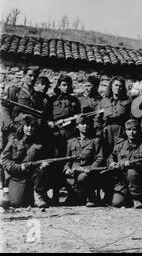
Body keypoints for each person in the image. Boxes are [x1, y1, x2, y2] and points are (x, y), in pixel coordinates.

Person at [43, 74, 81, 204]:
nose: (66, 87)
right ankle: (55, 193)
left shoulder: (74, 101)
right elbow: (46, 117)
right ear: (59, 86)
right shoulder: (52, 100)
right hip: (56, 136)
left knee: (69, 162)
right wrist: (50, 124)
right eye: (63, 85)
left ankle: (72, 193)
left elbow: (78, 118)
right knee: (56, 163)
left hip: (70, 135)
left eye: (68, 85)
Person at [0, 115, 52, 208]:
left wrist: (42, 165)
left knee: (43, 170)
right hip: (16, 176)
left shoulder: (39, 142)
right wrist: (19, 167)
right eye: (27, 125)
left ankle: (38, 196)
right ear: (22, 126)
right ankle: (7, 193)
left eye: (32, 126)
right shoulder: (14, 140)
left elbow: (44, 158)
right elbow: (4, 160)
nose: (30, 128)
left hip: (32, 176)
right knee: (17, 203)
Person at [106, 119, 142, 208]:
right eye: (129, 130)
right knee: (116, 203)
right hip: (122, 180)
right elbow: (111, 156)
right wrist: (112, 163)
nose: (132, 132)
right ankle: (127, 197)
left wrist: (132, 164)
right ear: (126, 131)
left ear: (138, 130)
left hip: (138, 181)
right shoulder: (120, 145)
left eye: (134, 129)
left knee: (131, 172)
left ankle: (137, 198)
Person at [63, 115, 104, 207]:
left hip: (88, 172)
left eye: (87, 124)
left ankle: (90, 197)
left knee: (83, 177)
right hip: (74, 172)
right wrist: (67, 169)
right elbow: (67, 160)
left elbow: (99, 158)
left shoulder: (95, 141)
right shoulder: (71, 142)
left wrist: (90, 168)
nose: (85, 126)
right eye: (82, 124)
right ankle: (77, 196)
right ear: (77, 126)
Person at [97, 77, 131, 157]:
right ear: (111, 86)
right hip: (107, 130)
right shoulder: (104, 101)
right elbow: (98, 118)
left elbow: (130, 118)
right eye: (116, 85)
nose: (118, 88)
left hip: (120, 130)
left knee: (120, 152)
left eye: (120, 86)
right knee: (106, 152)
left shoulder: (127, 102)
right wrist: (99, 132)